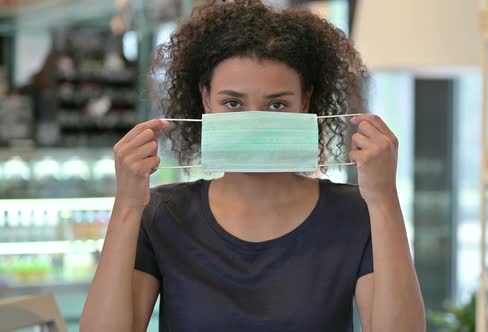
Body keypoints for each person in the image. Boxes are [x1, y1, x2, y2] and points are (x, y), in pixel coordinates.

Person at [80, 1, 425, 331]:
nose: (254, 121)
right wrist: (126, 204)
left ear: (305, 101)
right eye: (233, 103)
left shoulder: (355, 213)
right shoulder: (162, 214)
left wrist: (384, 199)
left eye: (276, 105)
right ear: (205, 99)